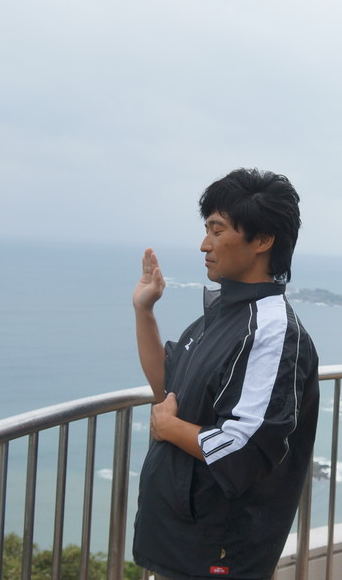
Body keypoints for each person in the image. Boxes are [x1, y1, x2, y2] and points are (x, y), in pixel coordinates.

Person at [130, 168, 319, 579]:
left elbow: (243, 448)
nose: (205, 244)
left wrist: (169, 428)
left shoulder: (272, 331)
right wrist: (144, 311)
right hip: (183, 544)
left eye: (217, 231)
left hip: (220, 552)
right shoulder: (223, 315)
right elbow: (168, 388)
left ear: (263, 240)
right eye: (206, 230)